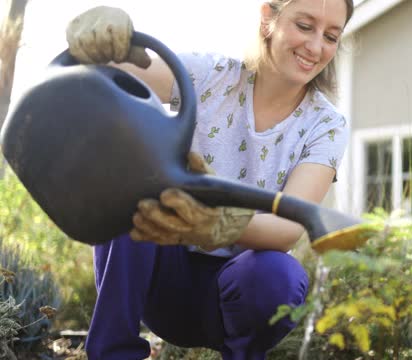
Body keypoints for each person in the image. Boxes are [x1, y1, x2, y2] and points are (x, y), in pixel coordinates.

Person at [64, 0, 355, 359]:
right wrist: (106, 41)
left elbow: (288, 229)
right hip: (161, 274)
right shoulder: (211, 76)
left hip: (233, 293)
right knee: (132, 187)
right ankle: (113, 353)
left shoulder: (326, 126)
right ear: (268, 19)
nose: (315, 47)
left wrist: (218, 221)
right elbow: (120, 69)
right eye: (305, 26)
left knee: (279, 275)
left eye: (330, 36)